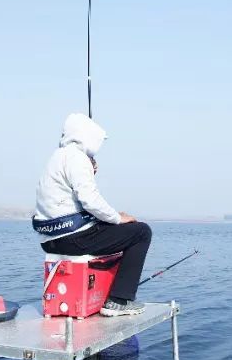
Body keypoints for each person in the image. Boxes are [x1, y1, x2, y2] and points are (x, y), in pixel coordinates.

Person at [33, 113, 152, 317]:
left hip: (50, 240)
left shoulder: (57, 156)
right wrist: (117, 217)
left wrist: (89, 167)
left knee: (114, 229)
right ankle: (118, 300)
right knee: (141, 232)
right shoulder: (77, 158)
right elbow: (90, 200)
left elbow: (69, 202)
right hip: (74, 239)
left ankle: (104, 293)